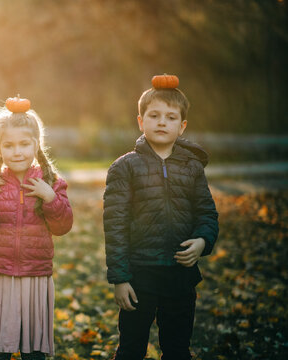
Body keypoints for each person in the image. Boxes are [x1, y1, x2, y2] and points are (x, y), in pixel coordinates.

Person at [103, 77, 219, 360]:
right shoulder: (125, 167)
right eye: (154, 116)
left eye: (170, 117)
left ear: (182, 127)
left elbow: (207, 213)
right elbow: (114, 225)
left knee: (178, 348)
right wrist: (120, 278)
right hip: (140, 273)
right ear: (141, 121)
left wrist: (203, 241)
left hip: (181, 275)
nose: (162, 122)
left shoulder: (192, 167)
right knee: (131, 348)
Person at [0, 99, 73, 360]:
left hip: (34, 275)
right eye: (9, 145)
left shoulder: (50, 183)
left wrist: (50, 199)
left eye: (24, 144)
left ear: (36, 145)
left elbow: (63, 226)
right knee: (0, 350)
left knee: (33, 351)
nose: (17, 151)